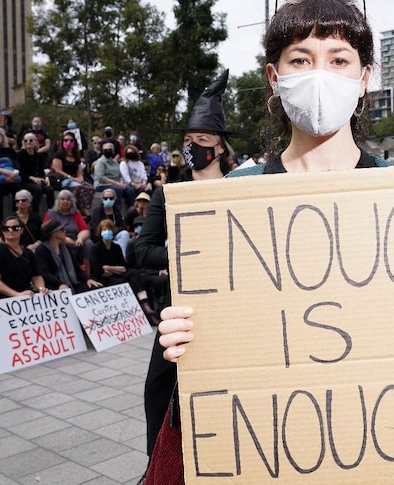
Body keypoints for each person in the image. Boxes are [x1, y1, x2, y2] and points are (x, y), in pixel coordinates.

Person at [147, 2, 394, 482]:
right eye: (300, 59)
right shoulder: (228, 201)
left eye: (338, 59)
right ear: (273, 76)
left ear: (364, 75)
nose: (318, 74)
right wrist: (184, 337)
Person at [135, 69, 237, 464]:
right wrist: (189, 257)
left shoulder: (242, 187)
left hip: (230, 310)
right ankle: (158, 468)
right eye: (188, 141)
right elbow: (143, 251)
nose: (194, 147)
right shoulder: (168, 195)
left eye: (203, 140)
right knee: (159, 391)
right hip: (179, 312)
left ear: (220, 147)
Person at [90, 219, 158, 325]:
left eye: (109, 229)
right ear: (100, 231)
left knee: (134, 273)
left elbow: (124, 267)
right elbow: (98, 269)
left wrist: (108, 268)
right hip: (104, 278)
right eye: (104, 229)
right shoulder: (96, 248)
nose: (107, 231)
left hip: (117, 275)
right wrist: (114, 268)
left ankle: (145, 304)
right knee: (121, 283)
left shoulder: (116, 247)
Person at [0, 216, 48, 298]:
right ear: (2, 231)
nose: (11, 231)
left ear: (22, 230)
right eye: (6, 228)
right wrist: (16, 294)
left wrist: (41, 288)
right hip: (0, 298)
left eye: (16, 228)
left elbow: (36, 276)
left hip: (25, 295)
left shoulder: (28, 253)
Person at [35, 219, 102, 293]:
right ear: (53, 234)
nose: (65, 231)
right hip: (54, 287)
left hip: (72, 283)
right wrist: (60, 284)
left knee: (95, 288)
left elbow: (76, 268)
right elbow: (45, 273)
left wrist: (88, 279)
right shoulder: (41, 250)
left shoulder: (64, 247)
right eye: (62, 230)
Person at [43, 190, 92, 269]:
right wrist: (64, 239)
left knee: (88, 243)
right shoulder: (50, 214)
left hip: (75, 241)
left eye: (68, 199)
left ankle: (87, 271)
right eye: (62, 199)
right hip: (58, 241)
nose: (65, 201)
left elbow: (85, 230)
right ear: (58, 201)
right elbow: (46, 232)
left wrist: (80, 239)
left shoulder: (76, 213)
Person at [50, 133, 93, 217]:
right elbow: (58, 170)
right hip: (64, 179)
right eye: (65, 140)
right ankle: (83, 212)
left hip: (75, 179)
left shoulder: (76, 156)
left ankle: (83, 208)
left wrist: (80, 178)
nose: (68, 142)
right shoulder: (58, 155)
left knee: (89, 188)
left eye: (71, 140)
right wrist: (72, 178)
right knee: (78, 188)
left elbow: (79, 171)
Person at [16, 133, 55, 214]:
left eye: (31, 140)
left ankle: (52, 213)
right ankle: (35, 213)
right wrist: (32, 178)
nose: (28, 142)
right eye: (26, 140)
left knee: (50, 190)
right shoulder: (20, 155)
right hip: (26, 180)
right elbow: (20, 172)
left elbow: (41, 171)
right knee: (38, 190)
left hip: (38, 179)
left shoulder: (39, 156)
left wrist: (45, 177)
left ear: (35, 142)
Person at [90, 188, 130, 254]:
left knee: (125, 234)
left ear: (114, 199)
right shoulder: (97, 211)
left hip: (115, 235)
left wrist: (113, 231)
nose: (108, 200)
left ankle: (123, 256)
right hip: (102, 237)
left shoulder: (116, 210)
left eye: (111, 198)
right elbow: (96, 228)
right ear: (102, 199)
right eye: (105, 198)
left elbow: (123, 226)